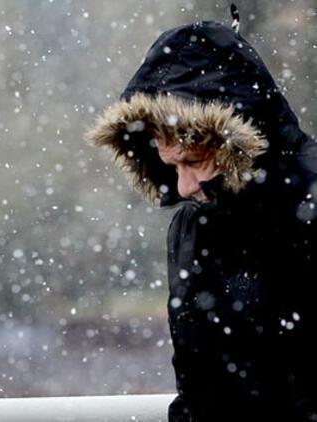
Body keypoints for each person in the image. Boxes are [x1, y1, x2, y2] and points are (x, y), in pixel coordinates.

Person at [86, 8, 317, 421]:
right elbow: (198, 389)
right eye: (172, 166)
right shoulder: (193, 228)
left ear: (236, 138)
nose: (183, 187)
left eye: (193, 161)